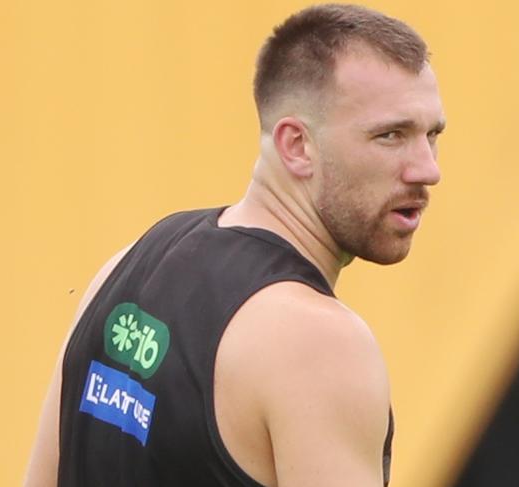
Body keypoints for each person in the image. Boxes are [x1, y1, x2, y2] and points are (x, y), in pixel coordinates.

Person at [25, 3, 445, 486]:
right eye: (390, 135)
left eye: (432, 134)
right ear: (296, 145)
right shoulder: (318, 343)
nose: (427, 169)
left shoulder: (131, 263)